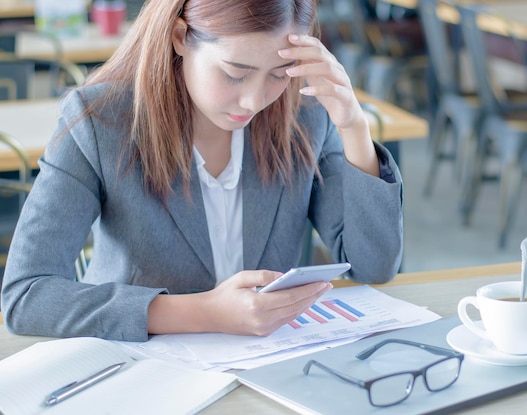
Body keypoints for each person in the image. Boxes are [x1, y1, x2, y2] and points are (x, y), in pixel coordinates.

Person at [1, 0, 403, 341]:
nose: (253, 99)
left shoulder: (305, 117)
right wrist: (206, 312)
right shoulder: (99, 122)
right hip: (143, 372)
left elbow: (375, 266)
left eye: (278, 75)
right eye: (234, 73)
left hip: (266, 367)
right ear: (180, 38)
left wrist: (354, 127)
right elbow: (26, 295)